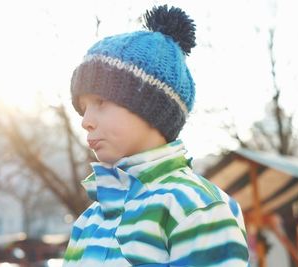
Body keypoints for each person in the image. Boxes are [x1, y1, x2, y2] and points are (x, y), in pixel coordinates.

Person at [63, 5, 249, 267]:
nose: (86, 121)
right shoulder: (89, 220)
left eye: (100, 102)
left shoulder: (194, 207)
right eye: (83, 109)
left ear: (150, 108)